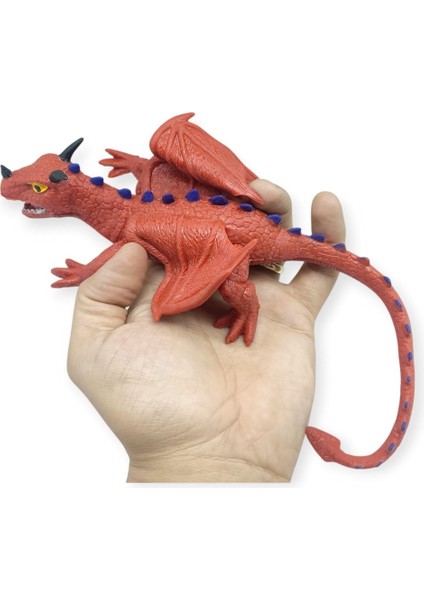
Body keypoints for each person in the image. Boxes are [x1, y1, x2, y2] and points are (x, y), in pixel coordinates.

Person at [67, 179, 345, 482]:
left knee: (230, 281)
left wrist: (86, 272)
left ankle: (248, 308)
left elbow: (122, 247)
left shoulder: (130, 225)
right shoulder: (133, 217)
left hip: (229, 236)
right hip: (219, 230)